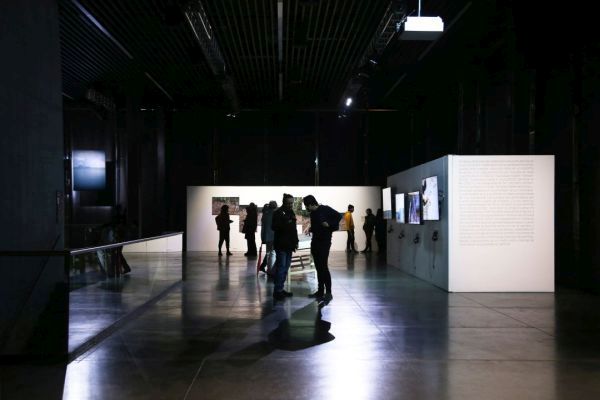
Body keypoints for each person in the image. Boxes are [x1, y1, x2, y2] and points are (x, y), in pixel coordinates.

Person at [303, 195, 341, 304]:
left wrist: (329, 224)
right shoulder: (313, 213)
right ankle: (320, 291)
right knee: (318, 267)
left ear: (311, 204)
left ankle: (328, 292)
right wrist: (311, 228)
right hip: (315, 242)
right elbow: (317, 226)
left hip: (324, 242)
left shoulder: (325, 209)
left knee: (323, 267)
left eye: (307, 206)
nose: (306, 208)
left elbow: (338, 216)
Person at [271, 194, 298, 301]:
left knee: (285, 268)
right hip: (281, 245)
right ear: (283, 202)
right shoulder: (278, 212)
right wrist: (286, 223)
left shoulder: (291, 212)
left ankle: (280, 289)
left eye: (292, 203)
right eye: (289, 203)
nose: (290, 205)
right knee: (281, 268)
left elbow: (294, 229)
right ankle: (277, 291)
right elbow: (274, 227)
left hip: (289, 245)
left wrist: (296, 241)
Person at [259, 200, 277, 274]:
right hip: (273, 236)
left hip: (267, 237)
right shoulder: (274, 214)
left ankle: (266, 268)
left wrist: (263, 238)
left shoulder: (265, 214)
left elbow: (264, 227)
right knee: (272, 253)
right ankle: (270, 270)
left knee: (269, 253)